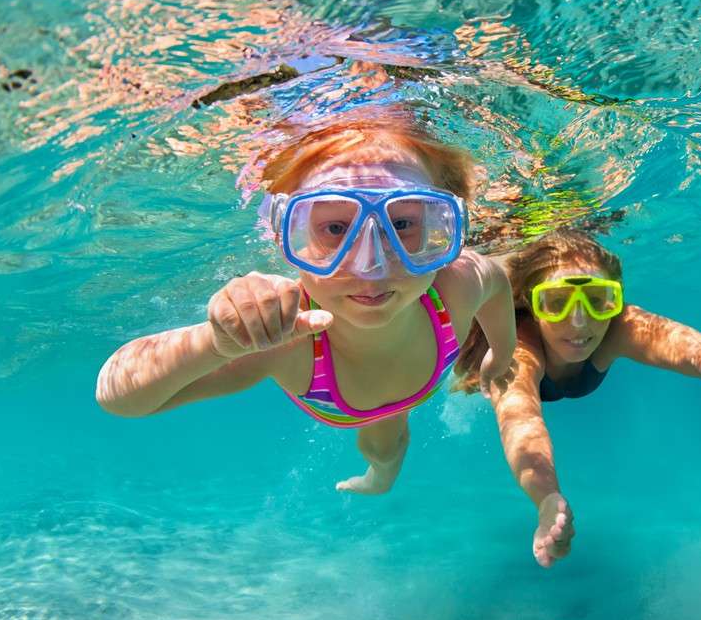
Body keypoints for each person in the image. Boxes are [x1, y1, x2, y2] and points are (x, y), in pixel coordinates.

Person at [97, 115, 516, 494]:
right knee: (381, 443)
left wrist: (500, 354)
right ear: (288, 235)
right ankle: (378, 479)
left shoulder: (457, 282)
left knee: (389, 443)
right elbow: (118, 397)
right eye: (335, 228)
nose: (371, 266)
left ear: (442, 225)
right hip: (343, 402)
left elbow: (497, 287)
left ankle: (380, 479)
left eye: (403, 224)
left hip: (405, 395)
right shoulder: (285, 335)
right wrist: (216, 342)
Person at [455, 230, 701, 567]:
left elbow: (700, 354)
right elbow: (521, 420)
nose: (580, 321)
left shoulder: (620, 328)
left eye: (598, 300)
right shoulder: (516, 349)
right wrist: (545, 499)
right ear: (532, 305)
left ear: (617, 301)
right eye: (556, 302)